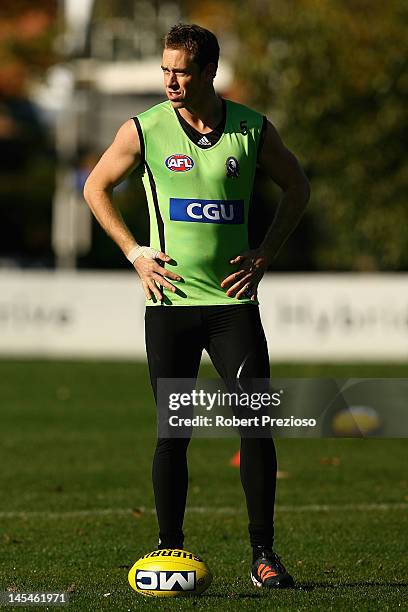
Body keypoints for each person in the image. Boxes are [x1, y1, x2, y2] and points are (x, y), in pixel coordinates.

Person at [84, 23, 310, 589]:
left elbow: (297, 187)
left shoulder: (252, 130)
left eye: (181, 71)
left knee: (255, 427)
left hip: (233, 306)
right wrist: (136, 253)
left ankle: (264, 556)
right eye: (165, 70)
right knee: (173, 434)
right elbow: (94, 187)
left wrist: (265, 253)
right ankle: (170, 551)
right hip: (171, 306)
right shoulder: (144, 130)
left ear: (209, 71)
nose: (171, 81)